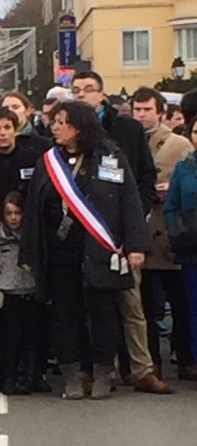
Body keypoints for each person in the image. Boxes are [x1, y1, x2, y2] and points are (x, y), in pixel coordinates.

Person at [21, 100, 151, 400]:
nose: (55, 127)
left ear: (79, 126)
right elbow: (32, 210)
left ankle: (103, 372)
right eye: (53, 121)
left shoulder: (110, 156)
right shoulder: (48, 161)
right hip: (59, 253)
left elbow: (128, 201)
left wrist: (136, 245)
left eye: (61, 122)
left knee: (102, 313)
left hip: (100, 249)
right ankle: (72, 374)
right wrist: (29, 252)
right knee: (64, 314)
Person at [70, 71, 168, 394]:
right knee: (91, 307)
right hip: (86, 235)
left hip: (123, 232)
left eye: (88, 89)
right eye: (76, 90)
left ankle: (141, 368)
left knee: (132, 304)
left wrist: (133, 220)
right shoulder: (65, 131)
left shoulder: (127, 128)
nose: (82, 94)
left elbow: (144, 177)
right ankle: (101, 369)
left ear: (102, 94)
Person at [130, 87, 197, 380]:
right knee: (142, 305)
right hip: (140, 234)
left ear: (160, 112)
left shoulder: (179, 144)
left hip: (172, 237)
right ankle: (150, 363)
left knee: (180, 303)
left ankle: (186, 359)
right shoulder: (127, 142)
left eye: (147, 109)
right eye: (138, 109)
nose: (142, 115)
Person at [0, 192, 41, 395]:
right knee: (5, 339)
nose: (13, 218)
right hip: (5, 292)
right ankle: (3, 375)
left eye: (18, 213)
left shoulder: (32, 237)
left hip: (28, 290)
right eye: (9, 213)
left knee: (29, 338)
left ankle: (29, 376)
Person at [165, 149, 197, 380]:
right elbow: (171, 207)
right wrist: (179, 231)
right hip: (192, 248)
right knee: (194, 308)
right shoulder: (183, 167)